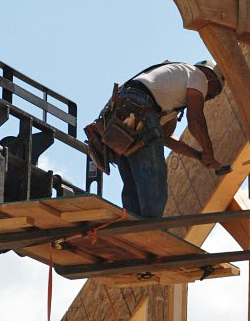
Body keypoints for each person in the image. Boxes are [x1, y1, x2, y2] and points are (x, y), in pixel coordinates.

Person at [87, 60, 224, 218]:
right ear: (211, 78)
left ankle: (132, 227)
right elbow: (195, 121)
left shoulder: (170, 90)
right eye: (213, 92)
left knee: (133, 186)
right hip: (140, 109)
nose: (209, 97)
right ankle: (149, 229)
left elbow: (165, 138)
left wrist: (199, 156)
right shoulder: (198, 75)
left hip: (120, 116)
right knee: (154, 183)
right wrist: (208, 151)